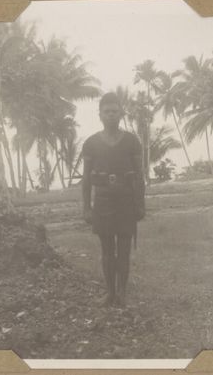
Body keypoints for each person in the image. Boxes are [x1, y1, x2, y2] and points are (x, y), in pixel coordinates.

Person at [82, 92, 145, 307]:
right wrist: (86, 208)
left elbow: (139, 176)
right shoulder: (90, 143)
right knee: (107, 251)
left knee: (124, 249)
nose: (110, 115)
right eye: (106, 111)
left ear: (121, 113)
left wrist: (140, 204)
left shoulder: (131, 141)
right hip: (103, 202)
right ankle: (109, 293)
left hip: (126, 202)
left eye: (114, 111)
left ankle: (122, 294)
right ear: (99, 114)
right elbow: (86, 179)